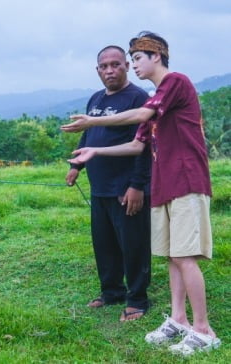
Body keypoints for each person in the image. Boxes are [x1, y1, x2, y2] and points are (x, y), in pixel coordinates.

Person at [61, 31, 220, 356]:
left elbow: (141, 117)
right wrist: (93, 151)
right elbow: (137, 143)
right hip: (165, 185)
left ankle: (204, 330)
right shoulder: (154, 99)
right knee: (173, 257)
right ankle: (178, 320)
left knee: (185, 256)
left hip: (187, 179)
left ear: (155, 56)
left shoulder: (175, 82)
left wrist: (91, 121)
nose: (133, 66)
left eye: (135, 59)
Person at [66, 45, 151, 322]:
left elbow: (144, 145)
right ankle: (112, 291)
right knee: (104, 244)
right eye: (104, 66)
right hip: (99, 187)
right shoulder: (96, 99)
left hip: (126, 188)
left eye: (116, 64)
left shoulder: (138, 98)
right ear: (98, 70)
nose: (110, 70)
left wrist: (137, 186)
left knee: (133, 244)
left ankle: (137, 299)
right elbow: (89, 135)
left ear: (126, 65)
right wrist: (76, 165)